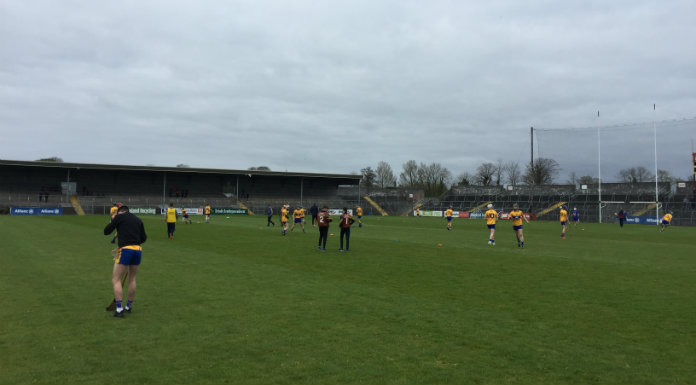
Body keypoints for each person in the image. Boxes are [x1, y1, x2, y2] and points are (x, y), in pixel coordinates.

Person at [103, 205, 147, 317]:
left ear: (120, 212)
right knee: (132, 279)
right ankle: (128, 307)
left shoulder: (119, 217)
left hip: (125, 250)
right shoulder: (137, 219)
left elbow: (106, 231)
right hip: (137, 250)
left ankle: (119, 310)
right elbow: (144, 238)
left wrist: (114, 221)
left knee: (116, 280)